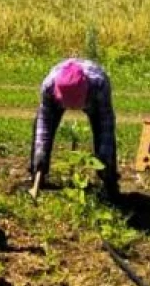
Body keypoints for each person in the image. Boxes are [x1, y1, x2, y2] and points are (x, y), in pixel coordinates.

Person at [30, 58, 119, 198]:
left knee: (104, 143)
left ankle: (110, 183)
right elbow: (44, 123)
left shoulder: (99, 85)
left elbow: (105, 125)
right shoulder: (49, 86)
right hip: (58, 87)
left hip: (95, 95)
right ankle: (36, 174)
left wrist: (104, 159)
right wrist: (40, 153)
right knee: (40, 140)